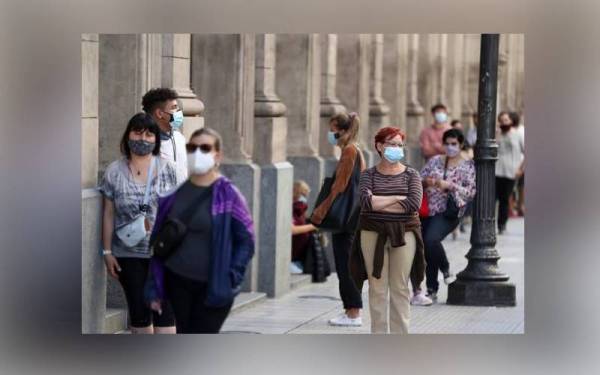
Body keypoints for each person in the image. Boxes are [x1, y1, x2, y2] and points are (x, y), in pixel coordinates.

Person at [146, 127, 255, 334]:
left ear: (217, 155)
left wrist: (232, 276)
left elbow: (246, 241)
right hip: (177, 282)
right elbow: (158, 242)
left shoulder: (228, 194)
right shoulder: (173, 195)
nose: (197, 153)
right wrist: (155, 286)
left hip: (213, 284)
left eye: (205, 148)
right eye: (192, 147)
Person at [99, 112, 178, 334]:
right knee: (139, 313)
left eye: (149, 134)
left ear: (156, 140)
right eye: (137, 132)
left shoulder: (167, 169)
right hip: (127, 254)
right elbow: (108, 214)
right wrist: (107, 252)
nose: (142, 138)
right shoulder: (114, 171)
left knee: (164, 314)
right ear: (127, 136)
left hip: (162, 254)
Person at [350, 126, 425, 334]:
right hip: (372, 233)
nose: (397, 149)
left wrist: (379, 201)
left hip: (404, 233)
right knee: (377, 287)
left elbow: (413, 204)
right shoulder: (368, 175)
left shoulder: (412, 175)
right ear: (380, 146)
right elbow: (366, 203)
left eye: (400, 145)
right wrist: (395, 198)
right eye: (392, 144)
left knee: (400, 287)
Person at [311, 112, 365, 327]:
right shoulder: (354, 150)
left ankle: (353, 313)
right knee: (346, 265)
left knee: (345, 266)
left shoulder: (350, 151)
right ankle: (351, 311)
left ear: (344, 131)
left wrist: (320, 212)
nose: (330, 134)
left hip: (345, 219)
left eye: (333, 129)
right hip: (351, 217)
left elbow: (338, 187)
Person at [420, 128, 476, 301]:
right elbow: (419, 178)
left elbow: (470, 192)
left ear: (460, 145)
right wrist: (427, 181)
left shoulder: (467, 165)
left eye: (454, 144)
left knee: (431, 240)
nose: (450, 147)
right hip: (429, 210)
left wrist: (449, 185)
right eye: (447, 143)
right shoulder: (435, 160)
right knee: (428, 248)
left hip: (449, 212)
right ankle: (431, 289)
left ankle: (446, 269)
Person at [142, 88, 188, 184]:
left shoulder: (179, 137)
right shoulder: (144, 142)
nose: (178, 112)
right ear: (160, 114)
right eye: (174, 108)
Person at [496, 111, 525, 234]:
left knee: (504, 199)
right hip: (496, 171)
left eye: (506, 120)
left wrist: (520, 169)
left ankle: (502, 225)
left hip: (511, 172)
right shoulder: (497, 134)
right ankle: (489, 224)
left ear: (511, 121)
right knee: (492, 199)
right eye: (501, 120)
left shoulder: (518, 135)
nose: (504, 123)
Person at [291, 180, 317, 274]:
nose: (304, 198)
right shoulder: (291, 208)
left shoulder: (300, 209)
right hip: (293, 259)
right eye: (303, 194)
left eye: (306, 195)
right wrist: (312, 226)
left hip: (301, 257)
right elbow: (292, 230)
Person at [510, 111, 525, 217]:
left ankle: (515, 208)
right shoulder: (522, 130)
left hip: (517, 163)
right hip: (519, 163)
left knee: (513, 187)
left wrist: (521, 168)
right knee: (520, 187)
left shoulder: (518, 131)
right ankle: (520, 207)